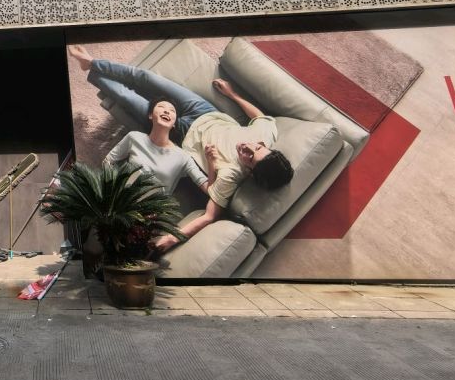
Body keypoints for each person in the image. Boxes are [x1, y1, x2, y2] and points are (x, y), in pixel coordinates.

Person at [68, 45, 293, 251]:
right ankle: (92, 63)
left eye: (249, 157)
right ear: (264, 146)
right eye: (256, 148)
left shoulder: (231, 175)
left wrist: (172, 238)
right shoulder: (264, 134)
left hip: (179, 133)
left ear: (250, 171)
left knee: (128, 97)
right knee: (146, 78)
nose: (247, 148)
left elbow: (209, 216)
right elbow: (259, 116)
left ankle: (92, 72)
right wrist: (232, 94)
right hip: (204, 110)